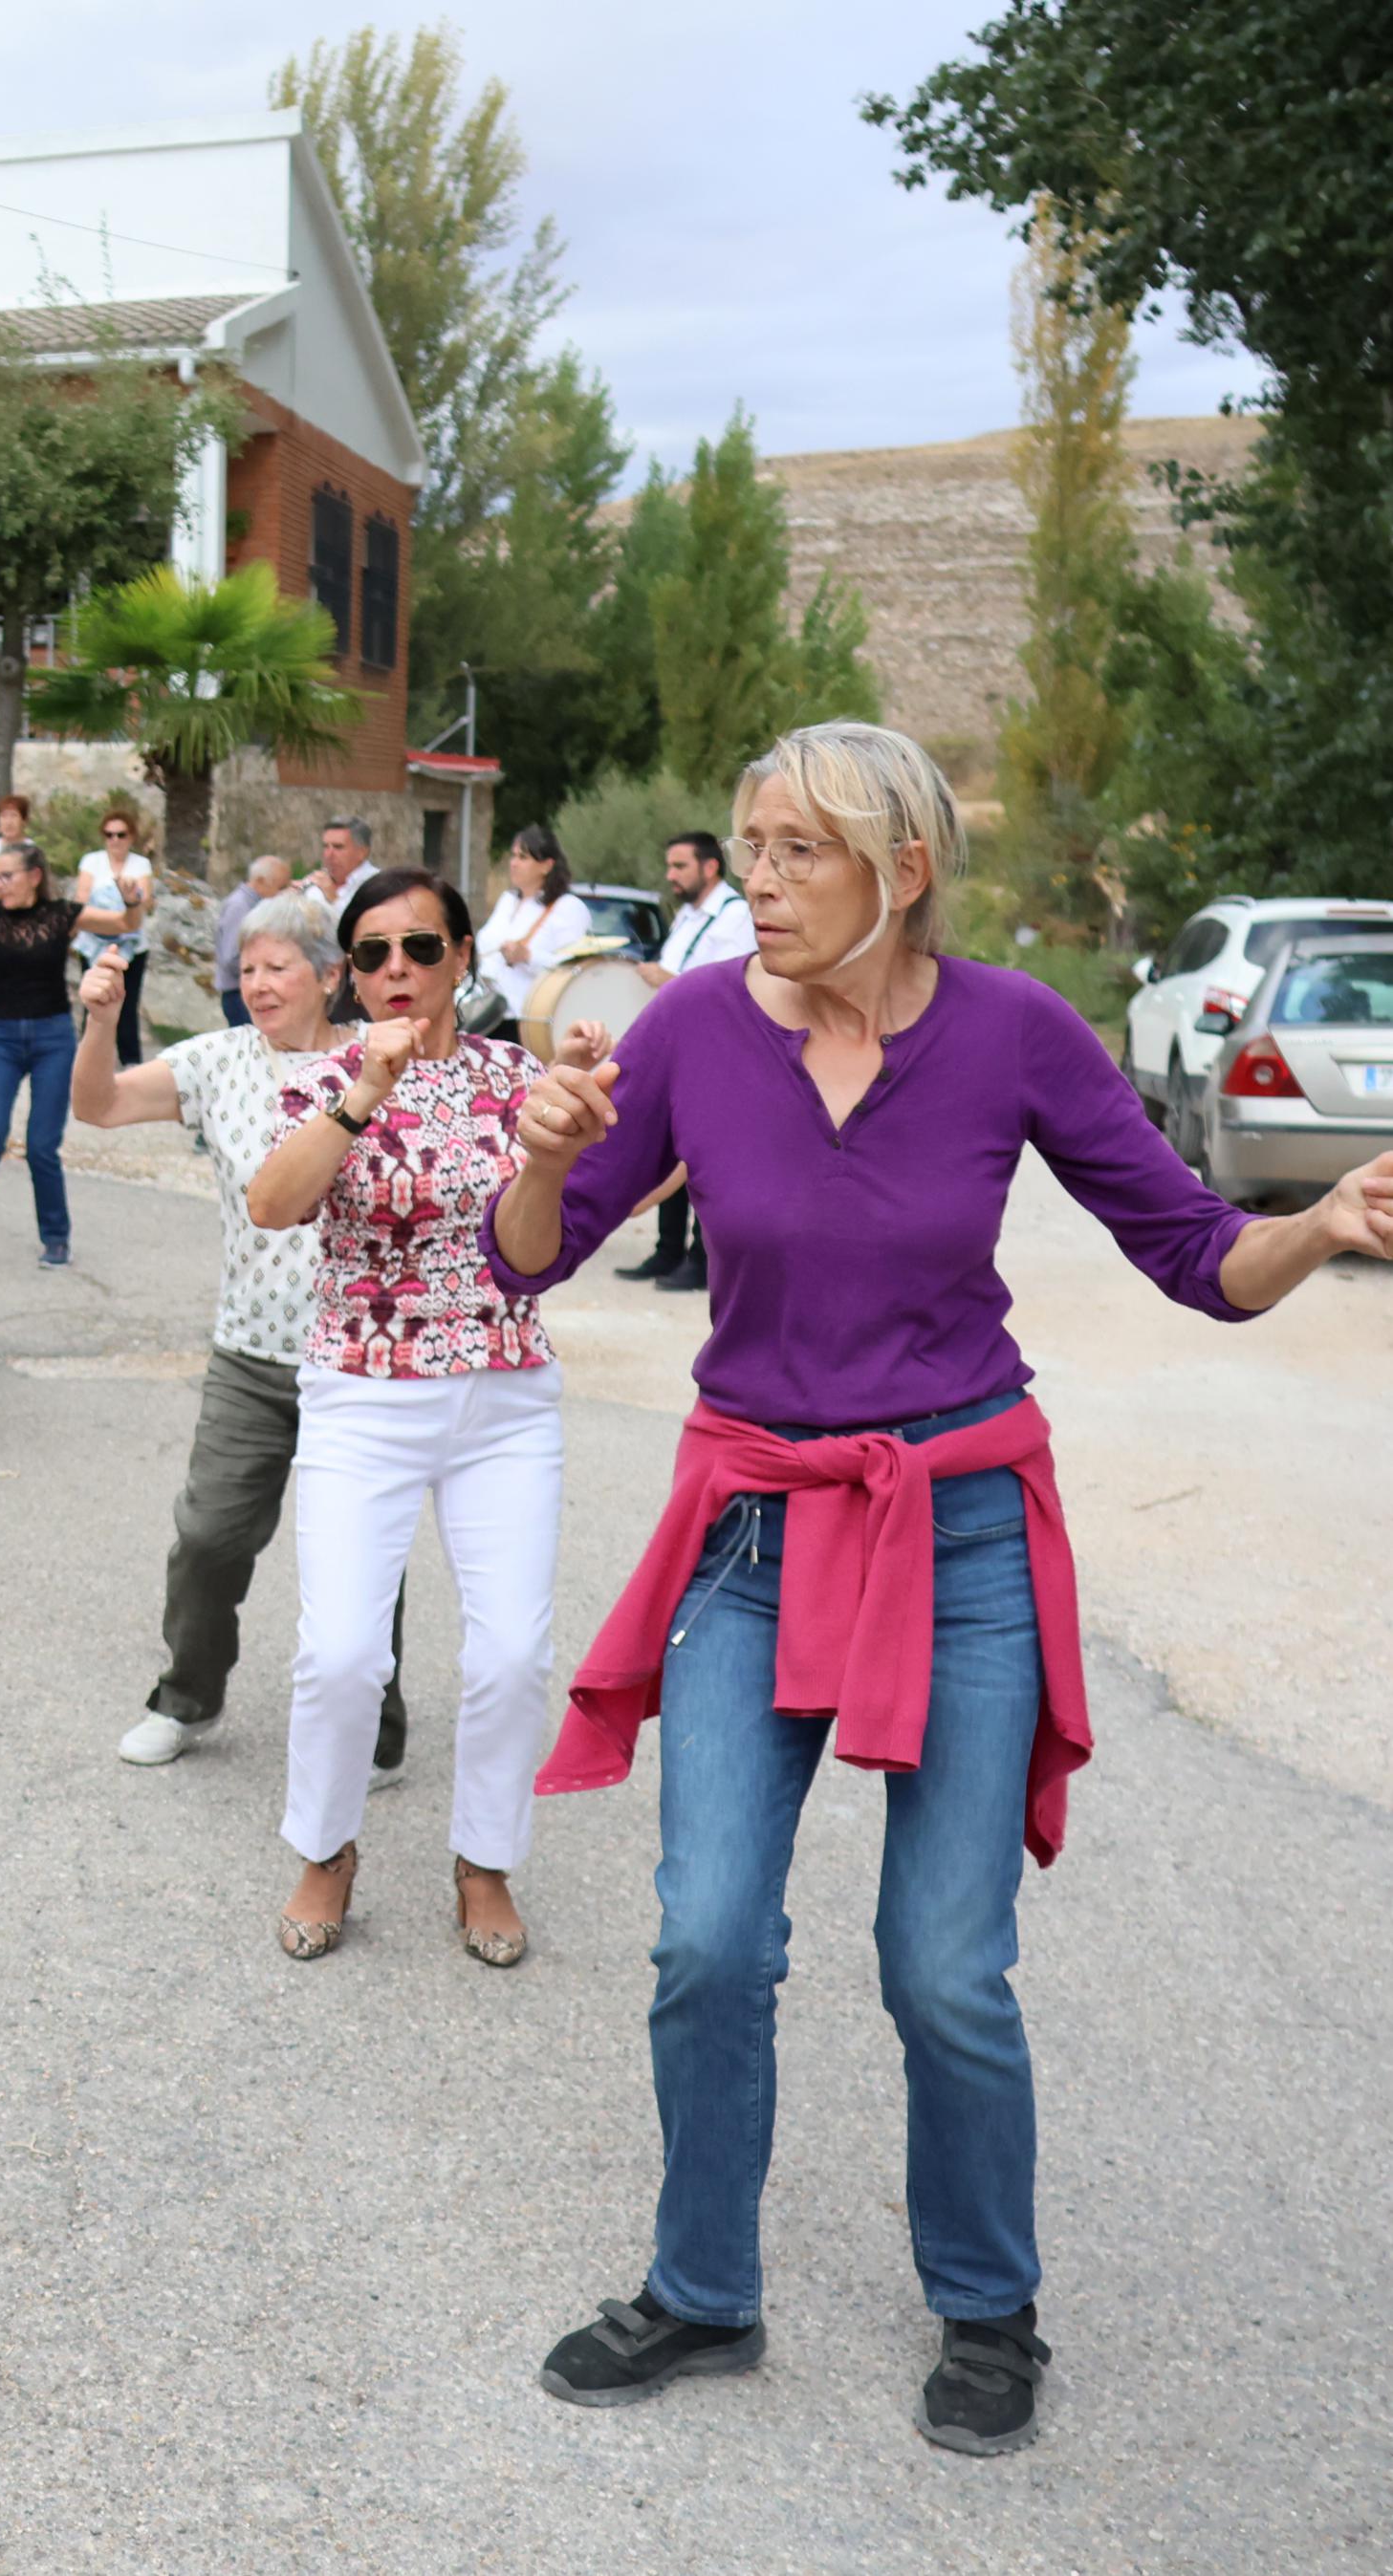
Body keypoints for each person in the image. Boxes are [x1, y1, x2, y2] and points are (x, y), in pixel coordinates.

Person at [490, 722, 1393, 2455]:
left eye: (796, 851)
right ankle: (699, 2288)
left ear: (900, 869)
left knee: (942, 1966)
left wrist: (1326, 1224)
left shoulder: (1011, 1031)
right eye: (749, 844)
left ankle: (986, 2308)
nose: (755, 880)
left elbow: (1197, 1256)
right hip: (755, 1528)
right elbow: (525, 1260)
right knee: (703, 1937)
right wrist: (539, 1154)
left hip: (958, 1533)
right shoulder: (686, 1030)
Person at [243, 865, 567, 1972]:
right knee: (339, 1652)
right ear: (349, 972)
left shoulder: (518, 1079)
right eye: (372, 953)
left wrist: (565, 1138)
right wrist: (363, 1094)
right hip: (361, 1392)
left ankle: (484, 1862)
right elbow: (272, 1204)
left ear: (460, 958)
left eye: (419, 948)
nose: (396, 970)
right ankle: (325, 1848)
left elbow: (540, 1247)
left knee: (511, 1653)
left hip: (503, 1393)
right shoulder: (323, 1076)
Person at [70, 898, 409, 1783]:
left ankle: (373, 1724)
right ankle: (186, 1696)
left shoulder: (381, 1061)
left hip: (362, 1357)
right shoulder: (215, 1061)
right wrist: (100, 1022)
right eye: (246, 968)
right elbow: (98, 1105)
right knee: (208, 1538)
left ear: (329, 974)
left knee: (364, 1555)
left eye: (275, 967)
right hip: (251, 1354)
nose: (256, 984)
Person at [0, 841, 120, 1268]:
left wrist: (134, 899)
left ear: (34, 876)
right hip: (1, 1038)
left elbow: (124, 922)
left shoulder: (62, 914)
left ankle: (56, 1238)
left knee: (42, 1147)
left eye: (7, 875)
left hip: (53, 1037)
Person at [618, 829, 755, 1293]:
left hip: (718, 1047)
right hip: (681, 1046)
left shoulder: (735, 917)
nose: (670, 875)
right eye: (669, 866)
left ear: (710, 867)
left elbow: (733, 983)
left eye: (680, 866)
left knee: (703, 1153)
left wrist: (667, 977)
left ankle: (702, 1258)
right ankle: (668, 1248)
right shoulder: (687, 916)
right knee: (670, 1144)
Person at [476, 823, 593, 1024]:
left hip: (528, 1019)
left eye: (523, 857)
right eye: (513, 856)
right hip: (486, 1012)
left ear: (546, 866)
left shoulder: (568, 907)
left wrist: (528, 957)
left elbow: (574, 972)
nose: (514, 863)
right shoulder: (507, 901)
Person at [76, 812, 158, 1064]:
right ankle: (89, 1059)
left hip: (131, 943)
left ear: (130, 837)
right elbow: (81, 897)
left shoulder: (140, 864)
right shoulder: (92, 861)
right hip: (95, 941)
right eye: (109, 834)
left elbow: (147, 901)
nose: (115, 840)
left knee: (127, 1002)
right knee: (92, 999)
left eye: (121, 835)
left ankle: (130, 1059)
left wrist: (132, 897)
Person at [214, 854, 290, 1028]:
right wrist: (266, 969)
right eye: (281, 887)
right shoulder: (239, 907)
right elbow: (231, 958)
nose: (283, 894)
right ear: (261, 881)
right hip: (239, 995)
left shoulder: (254, 905)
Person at [310, 814, 376, 922]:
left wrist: (334, 899)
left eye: (338, 847)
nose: (328, 854)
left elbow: (364, 926)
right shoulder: (318, 880)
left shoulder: (377, 884)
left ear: (362, 852)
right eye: (326, 846)